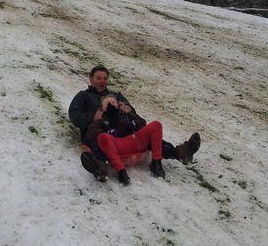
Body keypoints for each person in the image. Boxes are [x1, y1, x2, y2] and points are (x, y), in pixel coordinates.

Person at [68, 66, 200, 185]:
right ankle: (98, 168)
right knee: (99, 143)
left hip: (124, 133)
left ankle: (179, 153)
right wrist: (96, 114)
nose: (102, 81)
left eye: (104, 78)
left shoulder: (116, 95)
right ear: (91, 79)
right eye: (98, 78)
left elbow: (133, 113)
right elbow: (75, 117)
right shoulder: (83, 96)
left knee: (147, 136)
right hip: (99, 133)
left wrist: (126, 109)